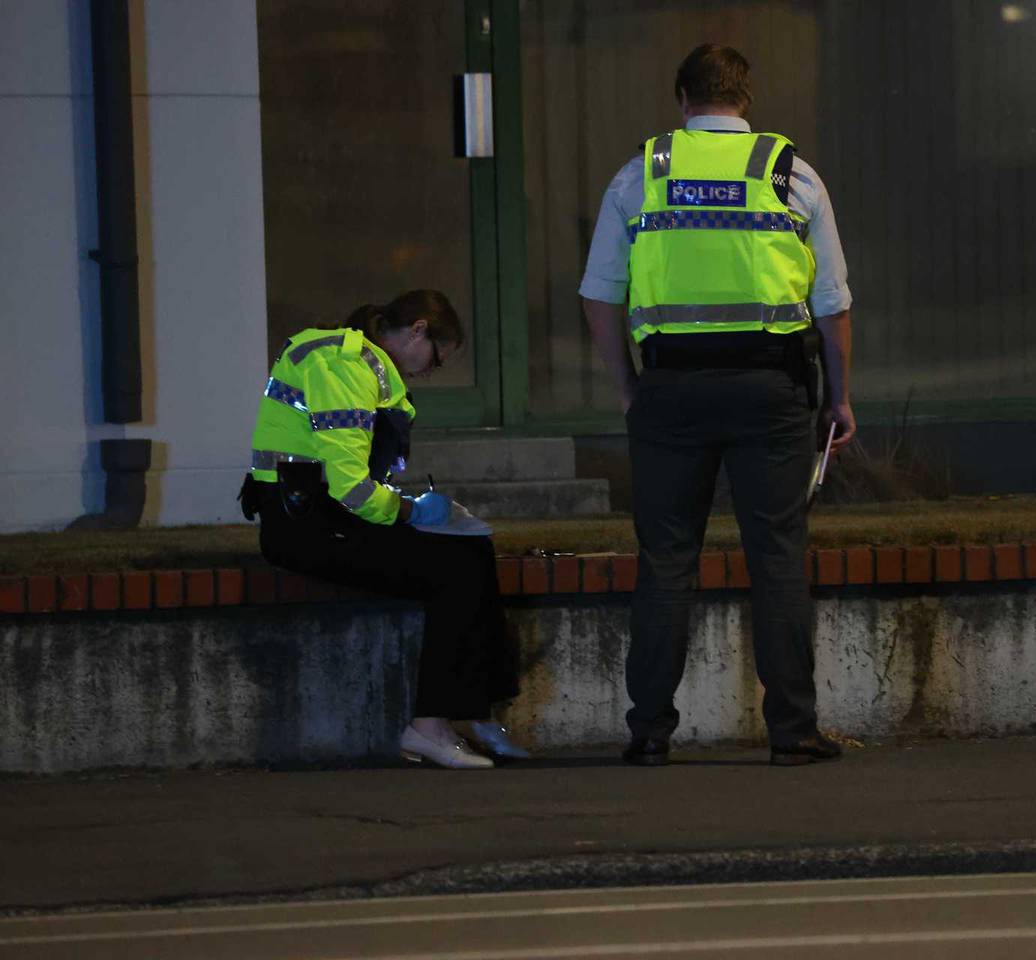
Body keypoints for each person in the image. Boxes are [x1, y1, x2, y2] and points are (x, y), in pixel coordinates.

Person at [579, 44, 856, 766]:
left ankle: (648, 732)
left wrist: (627, 387)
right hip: (772, 392)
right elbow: (831, 307)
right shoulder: (790, 174)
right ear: (746, 99)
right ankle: (792, 731)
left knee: (667, 560)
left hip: (670, 391)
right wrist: (840, 398)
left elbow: (599, 295)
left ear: (682, 99)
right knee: (778, 558)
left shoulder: (643, 173)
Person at [239, 289, 528, 769]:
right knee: (452, 569)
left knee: (473, 549)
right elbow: (351, 489)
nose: (432, 370)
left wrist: (424, 513)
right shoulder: (345, 365)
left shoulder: (361, 364)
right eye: (437, 357)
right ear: (418, 331)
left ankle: (477, 713)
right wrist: (416, 514)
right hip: (304, 530)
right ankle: (430, 728)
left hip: (322, 517)